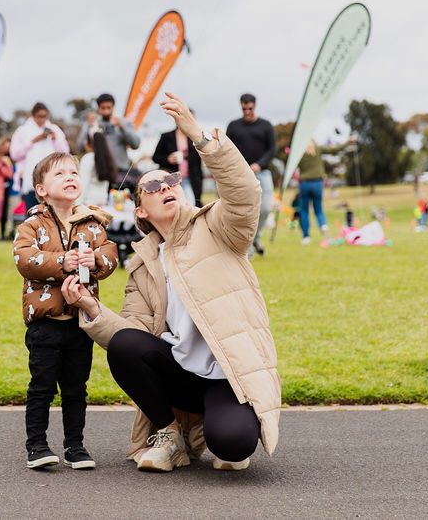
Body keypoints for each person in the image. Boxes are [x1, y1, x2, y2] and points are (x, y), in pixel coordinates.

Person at [60, 92, 280, 473]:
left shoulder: (219, 227)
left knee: (231, 443)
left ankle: (218, 428)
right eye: (154, 185)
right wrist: (92, 309)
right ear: (140, 211)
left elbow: (246, 194)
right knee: (125, 345)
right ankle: (170, 432)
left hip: (229, 374)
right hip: (181, 375)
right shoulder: (142, 265)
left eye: (171, 180)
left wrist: (200, 137)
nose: (166, 186)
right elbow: (135, 333)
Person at [13, 150, 119, 470]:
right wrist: (62, 262)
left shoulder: (92, 223)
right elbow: (23, 258)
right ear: (41, 188)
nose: (70, 177)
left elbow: (110, 254)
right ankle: (37, 445)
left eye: (74, 172)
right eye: (60, 174)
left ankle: (75, 445)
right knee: (42, 386)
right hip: (45, 323)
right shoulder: (32, 224)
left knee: (76, 387)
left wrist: (96, 261)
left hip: (79, 322)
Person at [226, 93, 276, 255]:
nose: (247, 111)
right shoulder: (233, 126)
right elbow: (227, 149)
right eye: (244, 108)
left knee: (266, 208)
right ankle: (247, 246)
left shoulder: (266, 125)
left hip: (262, 173)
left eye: (250, 108)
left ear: (255, 106)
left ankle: (255, 237)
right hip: (240, 175)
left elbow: (272, 149)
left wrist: (259, 165)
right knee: (244, 211)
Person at [11, 103, 70, 211]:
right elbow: (14, 154)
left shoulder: (54, 129)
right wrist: (33, 141)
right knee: (32, 214)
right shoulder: (22, 131)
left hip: (52, 181)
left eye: (44, 116)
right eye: (39, 116)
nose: (42, 119)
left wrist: (55, 139)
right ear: (33, 115)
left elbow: (65, 153)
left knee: (52, 214)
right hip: (29, 181)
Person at [78, 94, 140, 174]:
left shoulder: (123, 122)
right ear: (98, 108)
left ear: (113, 107)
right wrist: (87, 128)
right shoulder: (92, 124)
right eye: (103, 108)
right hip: (99, 172)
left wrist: (122, 128)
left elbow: (136, 145)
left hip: (120, 171)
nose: (106, 111)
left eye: (109, 107)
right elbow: (80, 148)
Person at [152, 119, 202, 207]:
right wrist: (168, 159)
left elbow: (198, 162)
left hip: (190, 179)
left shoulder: (195, 138)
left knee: (191, 204)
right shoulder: (166, 137)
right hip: (171, 178)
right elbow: (155, 157)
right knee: (174, 205)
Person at [77, 119, 114, 207]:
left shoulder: (88, 158)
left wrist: (77, 206)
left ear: (89, 143)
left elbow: (83, 183)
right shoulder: (108, 159)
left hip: (88, 204)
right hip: (103, 203)